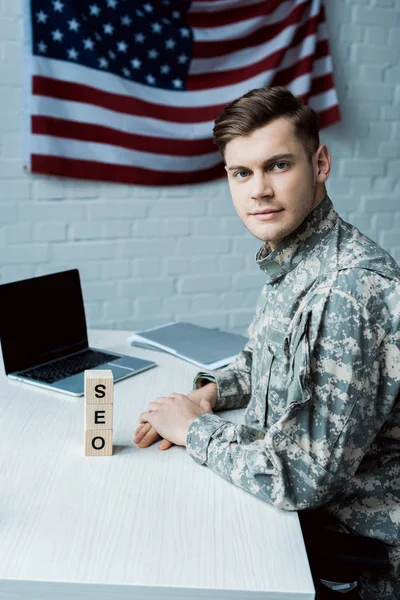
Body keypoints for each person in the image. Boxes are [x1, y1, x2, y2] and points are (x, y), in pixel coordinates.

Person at [133, 86, 400, 600]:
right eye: (242, 173)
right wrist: (210, 393)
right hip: (297, 530)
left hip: (350, 559)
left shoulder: (344, 289)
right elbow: (265, 362)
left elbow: (303, 477)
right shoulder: (301, 258)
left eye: (278, 166)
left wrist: (195, 430)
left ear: (320, 163)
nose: (259, 190)